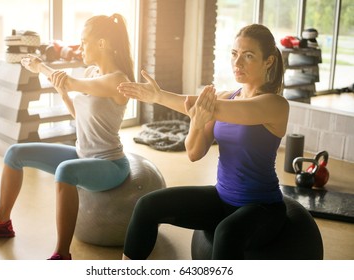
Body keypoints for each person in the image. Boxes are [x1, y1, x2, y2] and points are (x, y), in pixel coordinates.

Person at [0, 13, 135, 260]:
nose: (80, 46)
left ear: (102, 43)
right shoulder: (90, 73)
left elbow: (70, 82)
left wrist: (40, 67)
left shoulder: (118, 80)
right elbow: (80, 114)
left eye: (84, 40)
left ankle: (62, 254)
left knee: (65, 171)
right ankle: (2, 223)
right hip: (83, 153)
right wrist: (63, 94)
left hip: (110, 164)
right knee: (14, 153)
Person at [117, 23, 289, 260]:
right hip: (222, 197)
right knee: (147, 206)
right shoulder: (226, 97)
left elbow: (210, 107)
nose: (237, 63)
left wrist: (162, 97)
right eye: (234, 54)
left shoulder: (275, 105)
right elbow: (194, 152)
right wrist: (190, 119)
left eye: (248, 56)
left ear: (268, 61)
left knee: (227, 232)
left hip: (262, 209)